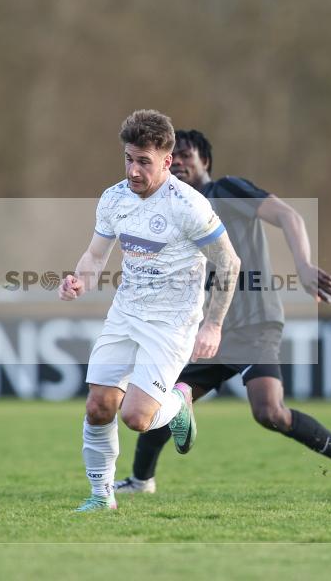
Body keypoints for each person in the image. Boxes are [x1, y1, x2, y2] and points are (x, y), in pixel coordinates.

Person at [114, 129, 331, 496]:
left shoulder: (227, 191)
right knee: (164, 400)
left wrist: (304, 265)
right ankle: (141, 480)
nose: (177, 161)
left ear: (204, 161)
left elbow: (289, 216)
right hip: (210, 329)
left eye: (185, 154)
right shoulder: (172, 208)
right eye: (171, 156)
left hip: (254, 323)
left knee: (270, 412)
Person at [60, 112, 241, 512]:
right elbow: (95, 255)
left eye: (144, 161)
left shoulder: (188, 205)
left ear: (166, 159)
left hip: (171, 323)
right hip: (125, 313)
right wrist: (78, 280)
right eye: (128, 158)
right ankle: (101, 497)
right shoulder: (114, 198)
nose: (133, 170)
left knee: (137, 417)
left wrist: (212, 325)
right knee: (98, 405)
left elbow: (229, 263)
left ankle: (180, 402)